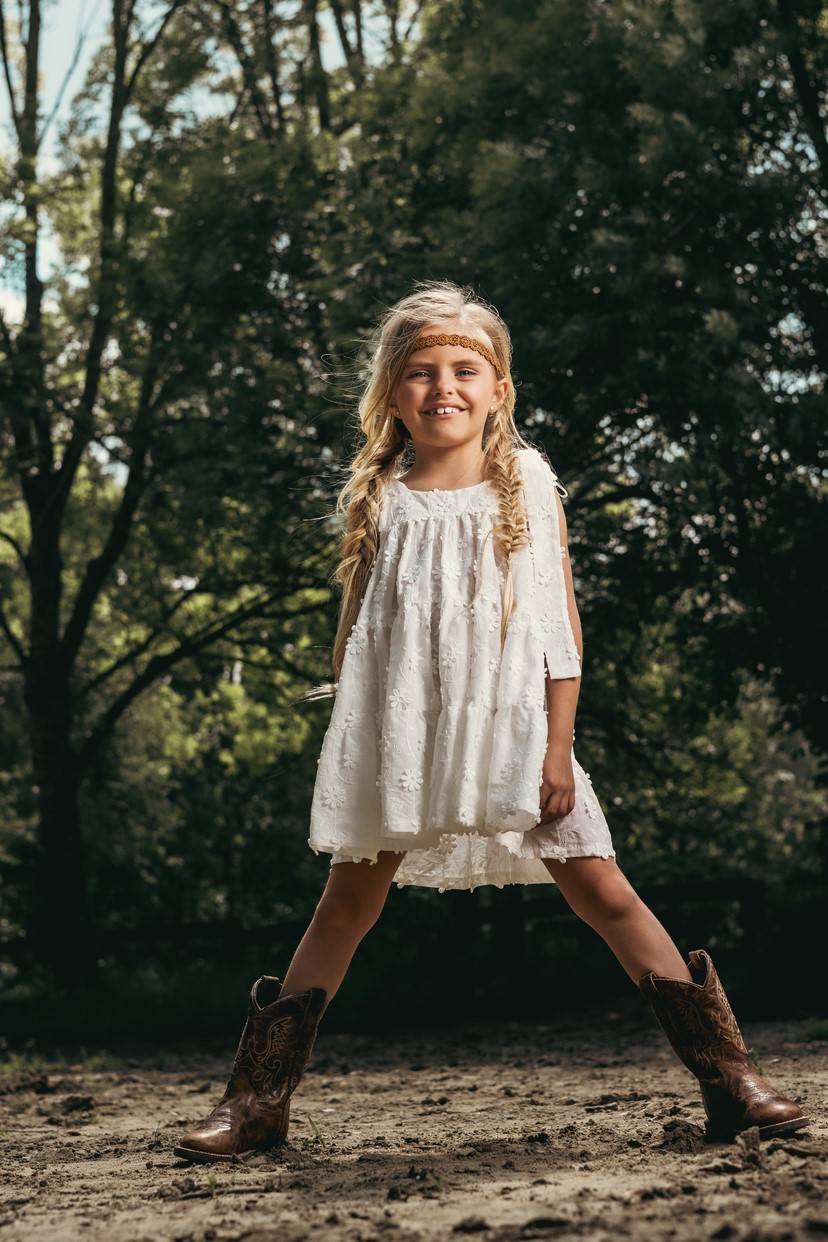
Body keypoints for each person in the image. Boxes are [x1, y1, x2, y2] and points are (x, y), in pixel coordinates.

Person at [174, 281, 809, 1164]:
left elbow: (558, 626)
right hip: (407, 735)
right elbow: (370, 643)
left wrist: (558, 748)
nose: (444, 387)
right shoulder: (380, 497)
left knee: (604, 892)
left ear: (499, 388)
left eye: (464, 370)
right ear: (392, 394)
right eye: (421, 372)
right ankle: (255, 1104)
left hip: (515, 731)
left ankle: (731, 1082)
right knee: (345, 904)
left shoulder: (527, 482)